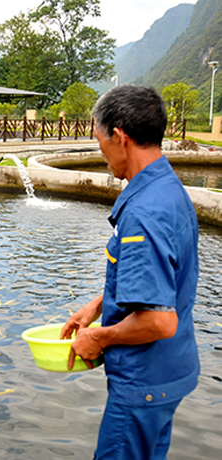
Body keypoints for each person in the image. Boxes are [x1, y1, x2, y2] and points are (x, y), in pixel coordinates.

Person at [60, 84, 200, 460]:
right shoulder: (169, 189)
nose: (100, 152)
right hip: (169, 373)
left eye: (99, 140)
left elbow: (159, 322)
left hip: (143, 383)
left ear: (120, 137)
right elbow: (161, 279)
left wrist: (99, 338)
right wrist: (98, 305)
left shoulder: (143, 212)